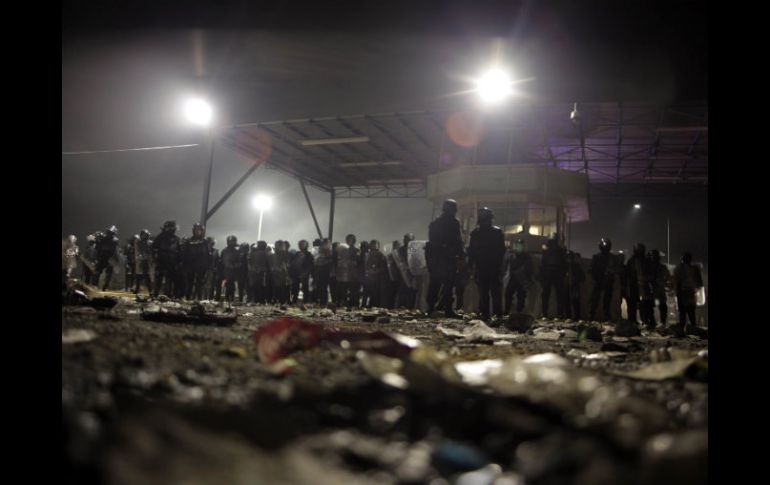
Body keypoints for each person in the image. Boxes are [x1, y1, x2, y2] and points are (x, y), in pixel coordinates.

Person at [426, 199, 464, 318]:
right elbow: (458, 241)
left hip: (437, 259)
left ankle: (431, 309)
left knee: (435, 284)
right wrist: (461, 255)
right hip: (447, 259)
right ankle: (448, 310)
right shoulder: (454, 222)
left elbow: (432, 242)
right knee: (448, 285)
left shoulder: (435, 223)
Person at [468, 207, 506, 321]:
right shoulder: (497, 232)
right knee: (494, 292)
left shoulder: (475, 233)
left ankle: (486, 314)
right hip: (493, 266)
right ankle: (497, 314)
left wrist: (471, 265)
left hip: (483, 266)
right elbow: (501, 251)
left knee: (484, 292)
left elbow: (471, 252)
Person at [673, 252, 703, 329]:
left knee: (689, 310)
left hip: (688, 291)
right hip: (685, 292)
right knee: (686, 311)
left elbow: (699, 281)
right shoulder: (680, 268)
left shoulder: (691, 268)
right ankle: (687, 326)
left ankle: (689, 326)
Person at [589, 238, 616, 322]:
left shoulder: (612, 257)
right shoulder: (597, 257)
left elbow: (616, 268)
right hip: (599, 280)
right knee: (595, 299)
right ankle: (591, 316)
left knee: (606, 300)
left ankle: (606, 317)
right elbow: (591, 269)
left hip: (608, 281)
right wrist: (596, 276)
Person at [504, 239, 534, 314]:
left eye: (520, 246)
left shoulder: (527, 257)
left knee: (521, 296)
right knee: (508, 295)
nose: (518, 248)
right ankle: (507, 312)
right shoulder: (512, 256)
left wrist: (529, 279)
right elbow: (507, 267)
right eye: (517, 246)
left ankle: (519, 312)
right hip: (513, 278)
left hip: (522, 280)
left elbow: (529, 269)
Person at [181, 223, 211, 301]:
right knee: (189, 283)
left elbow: (208, 255)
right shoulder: (189, 241)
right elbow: (185, 254)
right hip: (190, 265)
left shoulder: (205, 242)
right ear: (193, 231)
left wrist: (207, 266)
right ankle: (188, 298)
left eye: (200, 230)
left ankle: (199, 299)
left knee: (199, 284)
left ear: (202, 231)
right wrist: (184, 265)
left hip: (201, 266)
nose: (198, 232)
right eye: (197, 230)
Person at [540, 237, 567, 319]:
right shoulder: (560, 251)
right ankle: (556, 314)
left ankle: (546, 313)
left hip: (552, 274)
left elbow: (543, 264)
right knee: (555, 295)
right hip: (554, 274)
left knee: (549, 295)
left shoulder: (550, 251)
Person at [152, 221, 181, 298]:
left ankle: (167, 295)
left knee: (169, 280)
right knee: (159, 278)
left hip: (171, 262)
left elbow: (180, 252)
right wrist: (155, 258)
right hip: (161, 261)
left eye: (173, 228)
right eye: (170, 228)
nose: (171, 229)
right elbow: (153, 248)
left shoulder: (177, 239)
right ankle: (155, 294)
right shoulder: (160, 237)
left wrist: (178, 262)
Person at [335, 235, 360, 308]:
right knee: (343, 291)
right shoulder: (342, 249)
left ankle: (353, 304)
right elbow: (338, 261)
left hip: (352, 274)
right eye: (348, 239)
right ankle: (344, 303)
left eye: (351, 239)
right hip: (343, 274)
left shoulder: (356, 250)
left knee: (353, 292)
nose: (349, 241)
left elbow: (358, 261)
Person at [93, 225, 120, 291]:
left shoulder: (115, 240)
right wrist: (97, 257)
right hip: (102, 257)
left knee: (109, 274)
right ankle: (95, 285)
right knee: (97, 271)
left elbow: (116, 250)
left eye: (111, 232)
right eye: (109, 232)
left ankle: (105, 287)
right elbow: (98, 248)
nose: (110, 233)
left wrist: (116, 259)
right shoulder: (103, 238)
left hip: (110, 258)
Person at [649, 249, 671, 325]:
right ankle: (652, 322)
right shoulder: (648, 267)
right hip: (650, 288)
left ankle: (662, 322)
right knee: (650, 306)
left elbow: (668, 277)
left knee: (662, 306)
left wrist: (665, 283)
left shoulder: (662, 267)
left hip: (659, 288)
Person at [364, 239, 389, 308]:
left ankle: (375, 307)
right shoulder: (367, 254)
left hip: (376, 278)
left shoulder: (381, 255)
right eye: (372, 244)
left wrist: (375, 271)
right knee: (366, 294)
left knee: (375, 295)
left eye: (375, 244)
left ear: (378, 246)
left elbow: (383, 268)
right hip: (367, 278)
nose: (374, 246)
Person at [220, 235, 241, 303]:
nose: (231, 243)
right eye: (230, 241)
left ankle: (230, 299)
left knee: (231, 286)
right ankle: (226, 299)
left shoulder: (236, 251)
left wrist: (233, 266)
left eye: (232, 241)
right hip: (225, 271)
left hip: (233, 271)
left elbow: (239, 262)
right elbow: (221, 261)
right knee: (227, 286)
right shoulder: (224, 251)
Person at [566, 251, 586, 320]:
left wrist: (575, 279)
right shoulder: (565, 265)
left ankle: (576, 317)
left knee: (575, 302)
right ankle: (570, 317)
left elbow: (583, 277)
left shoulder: (575, 265)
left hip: (574, 286)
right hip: (568, 286)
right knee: (569, 302)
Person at [313, 238, 333, 306]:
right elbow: (315, 260)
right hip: (319, 270)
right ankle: (321, 302)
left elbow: (330, 261)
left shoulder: (330, 251)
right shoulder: (318, 250)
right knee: (320, 287)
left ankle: (324, 302)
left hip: (325, 271)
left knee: (323, 287)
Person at [134, 229, 153, 294]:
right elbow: (137, 250)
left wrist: (149, 258)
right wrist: (138, 257)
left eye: (146, 235)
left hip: (146, 261)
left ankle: (150, 290)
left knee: (147, 276)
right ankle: (137, 289)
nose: (145, 236)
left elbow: (151, 252)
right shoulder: (138, 241)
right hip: (140, 260)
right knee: (138, 276)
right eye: (144, 235)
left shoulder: (150, 242)